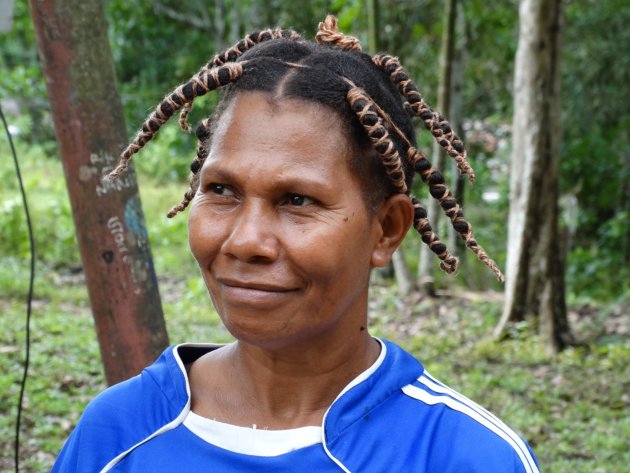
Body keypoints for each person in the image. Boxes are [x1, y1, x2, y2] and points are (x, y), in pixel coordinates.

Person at [52, 16, 538, 473]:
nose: (246, 242)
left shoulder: (460, 456)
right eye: (221, 190)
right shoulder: (117, 435)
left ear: (387, 229)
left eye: (297, 199)